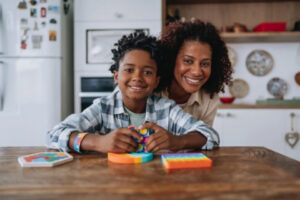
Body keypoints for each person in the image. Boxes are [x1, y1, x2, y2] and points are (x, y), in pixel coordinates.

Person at [47, 31, 219, 153]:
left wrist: (177, 141)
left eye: (147, 72)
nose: (137, 78)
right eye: (129, 70)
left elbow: (210, 135)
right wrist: (98, 142)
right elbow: (55, 134)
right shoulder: (103, 108)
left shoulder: (166, 108)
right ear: (116, 76)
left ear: (157, 81)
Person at [157, 20, 233, 126]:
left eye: (205, 64)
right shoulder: (151, 92)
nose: (197, 72)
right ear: (171, 59)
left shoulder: (208, 99)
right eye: (188, 61)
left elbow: (205, 137)